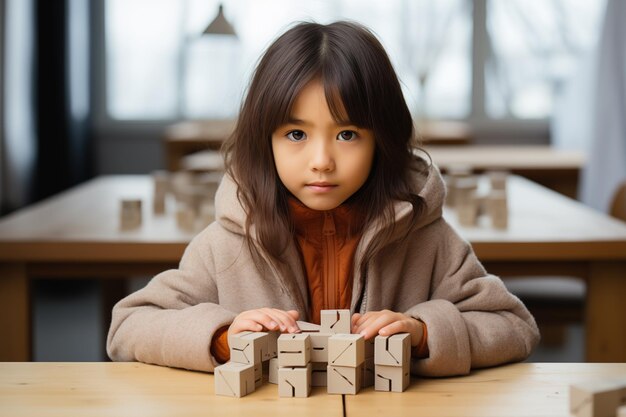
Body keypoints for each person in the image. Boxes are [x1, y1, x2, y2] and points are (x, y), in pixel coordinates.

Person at [107, 21, 539, 376]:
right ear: (265, 141)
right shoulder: (225, 244)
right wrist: (223, 336)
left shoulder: (428, 238)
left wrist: (424, 332)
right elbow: (129, 326)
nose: (321, 161)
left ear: (382, 140)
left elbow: (514, 326)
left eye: (347, 134)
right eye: (296, 134)